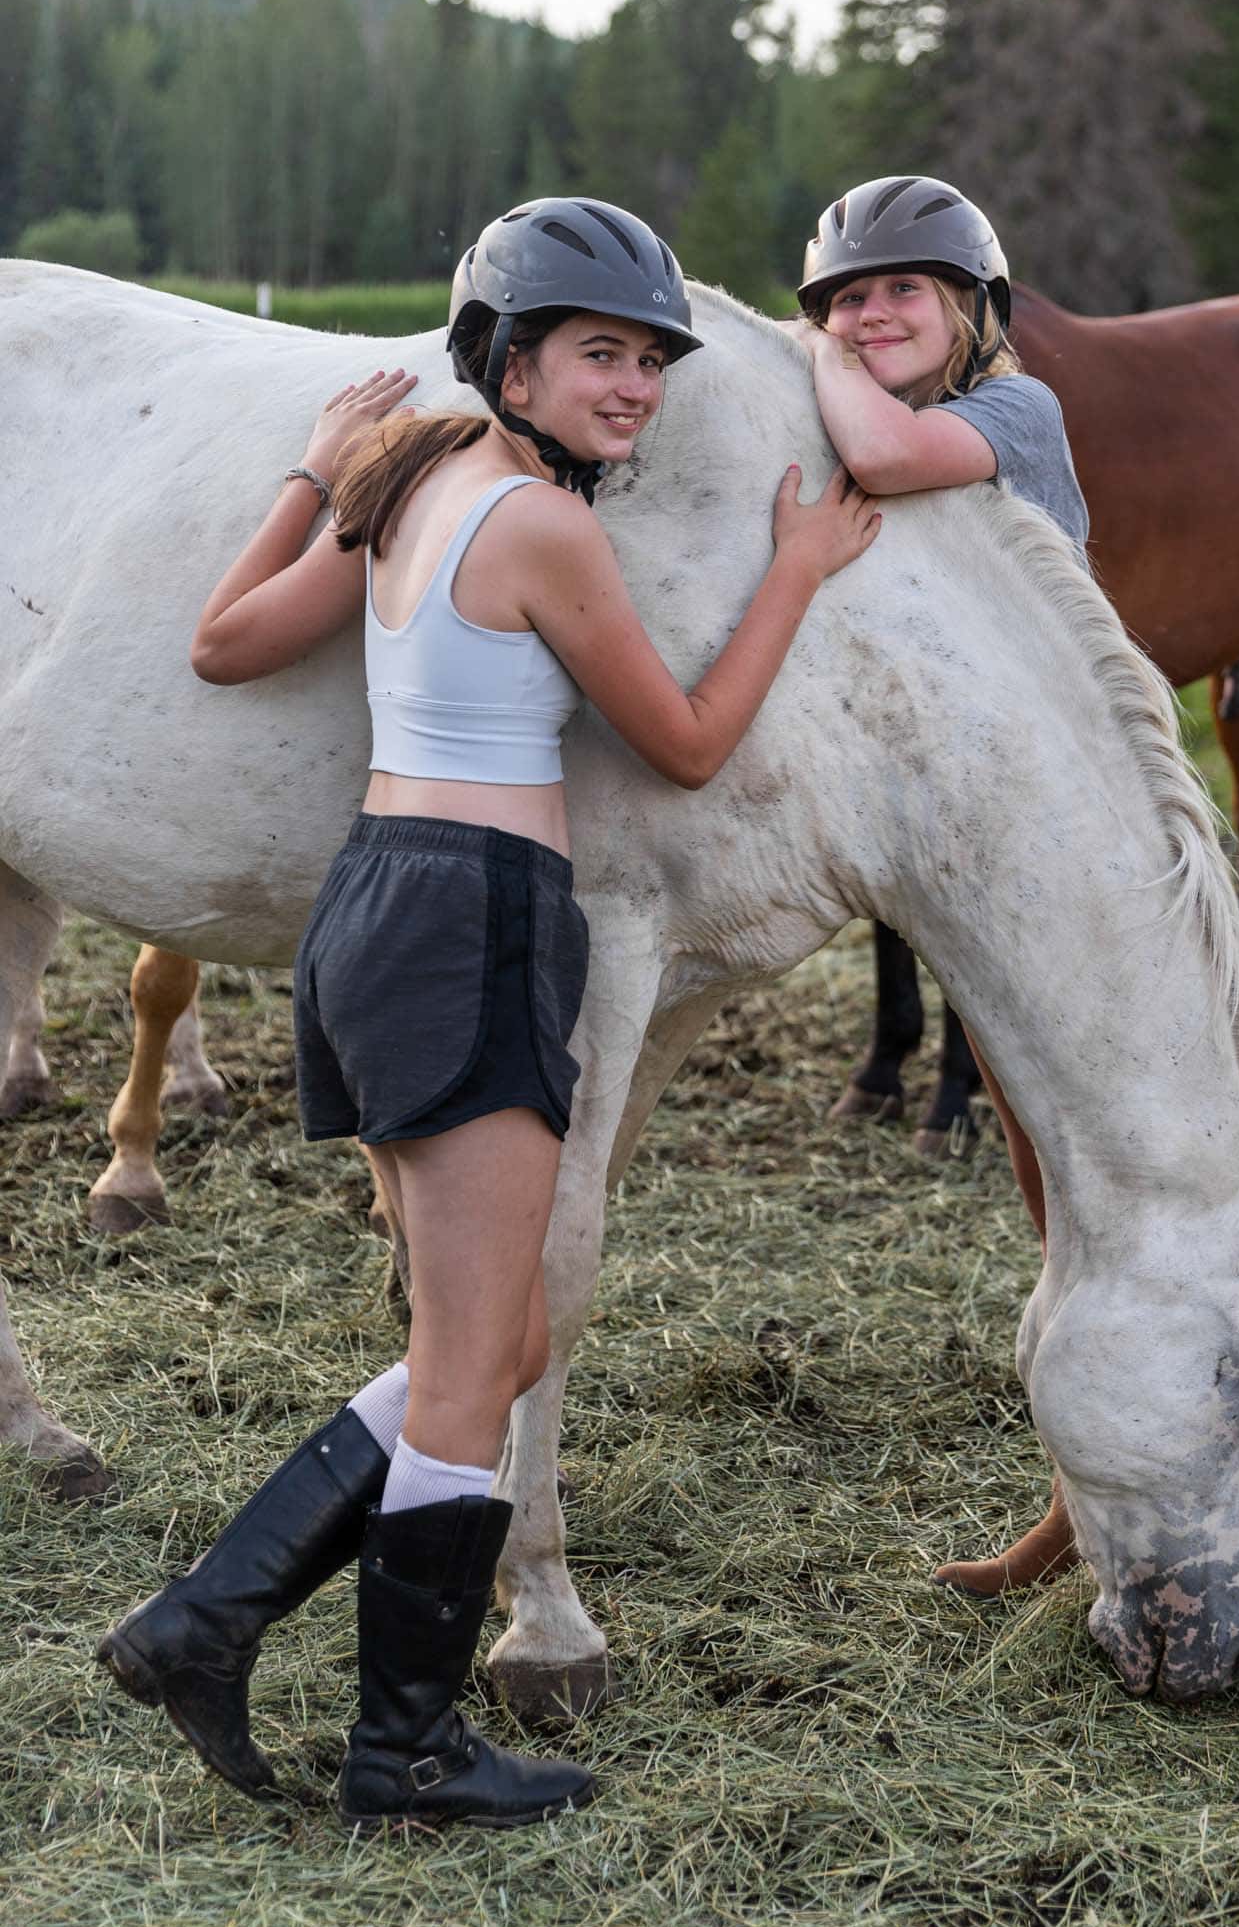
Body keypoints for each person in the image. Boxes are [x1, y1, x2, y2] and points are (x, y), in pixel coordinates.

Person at [99, 198, 880, 1831]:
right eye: (602, 355)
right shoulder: (540, 527)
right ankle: (402, 1748)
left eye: (653, 362)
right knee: (474, 1363)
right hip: (472, 916)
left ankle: (214, 1621)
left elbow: (223, 640)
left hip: (378, 905)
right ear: (509, 361)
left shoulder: (404, 490)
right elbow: (682, 744)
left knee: (497, 1338)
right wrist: (798, 572)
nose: (637, 389)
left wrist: (319, 464)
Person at [790, 174, 1086, 1594]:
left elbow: (890, 458)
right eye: (845, 296)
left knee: (1071, 1179)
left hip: (1060, 823)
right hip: (974, 834)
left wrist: (803, 355)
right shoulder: (892, 396)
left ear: (973, 312)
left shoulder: (1011, 413)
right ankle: (1082, 1492)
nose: (866, 314)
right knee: (1047, 1171)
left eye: (901, 290)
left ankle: (1088, 1495)